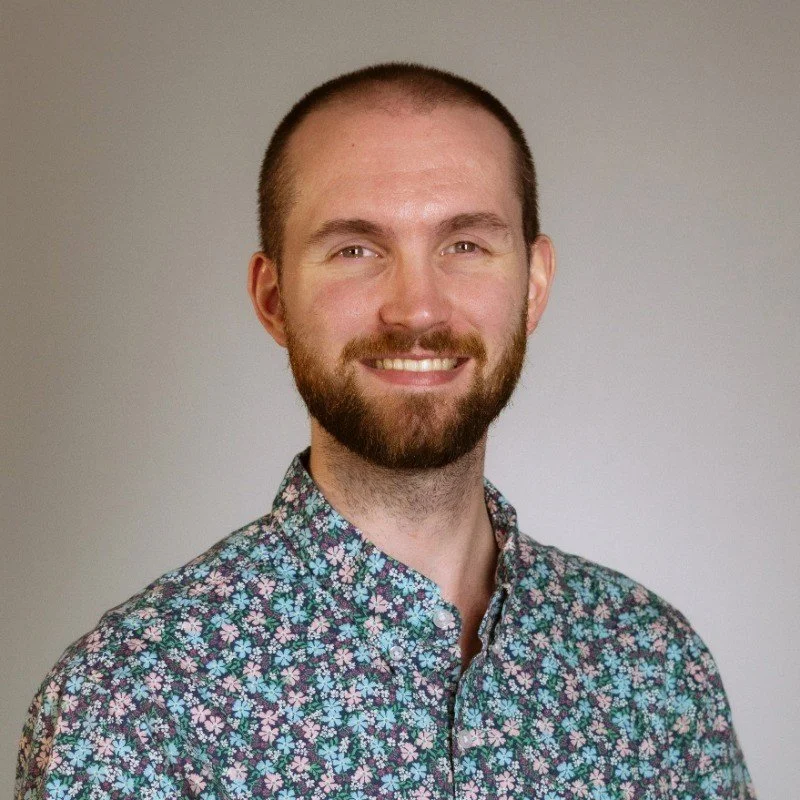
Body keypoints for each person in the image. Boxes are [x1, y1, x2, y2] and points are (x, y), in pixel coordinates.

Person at [16, 63, 756, 799]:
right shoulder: (128, 705)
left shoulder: (655, 667)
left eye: (464, 244)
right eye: (356, 250)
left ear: (532, 286)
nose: (417, 310)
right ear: (273, 299)